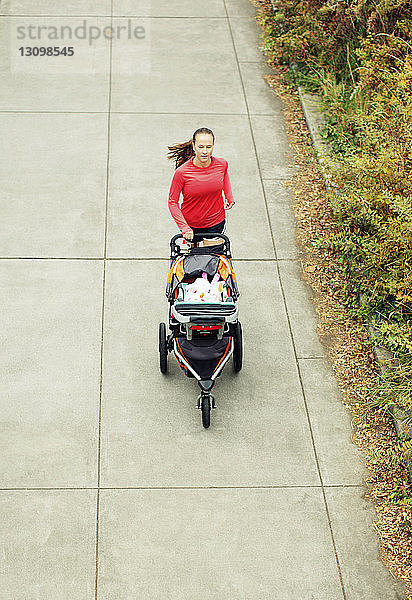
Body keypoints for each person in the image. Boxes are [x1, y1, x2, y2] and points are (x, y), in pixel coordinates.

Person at [167, 127, 235, 241]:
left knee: (213, 257)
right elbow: (172, 202)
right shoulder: (182, 173)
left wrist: (229, 196)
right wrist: (184, 227)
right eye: (200, 147)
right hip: (190, 226)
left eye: (209, 147)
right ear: (193, 146)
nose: (205, 151)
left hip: (215, 222)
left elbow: (224, 175)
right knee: (195, 257)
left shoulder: (221, 164)